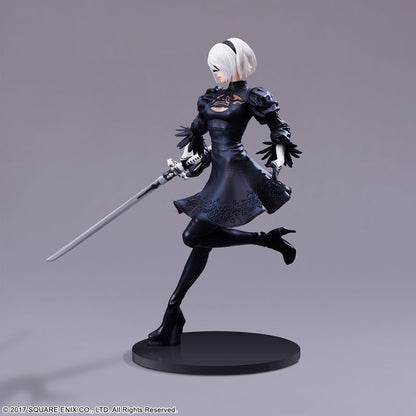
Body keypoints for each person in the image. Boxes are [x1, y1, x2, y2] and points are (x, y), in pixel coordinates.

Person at [148, 38, 301, 345]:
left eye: (219, 68)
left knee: (192, 236)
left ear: (234, 64)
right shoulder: (210, 97)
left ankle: (264, 240)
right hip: (218, 170)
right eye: (212, 69)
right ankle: (172, 314)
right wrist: (186, 163)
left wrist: (278, 158)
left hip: (238, 172)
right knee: (201, 244)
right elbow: (197, 136)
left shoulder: (253, 96)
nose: (216, 73)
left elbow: (279, 128)